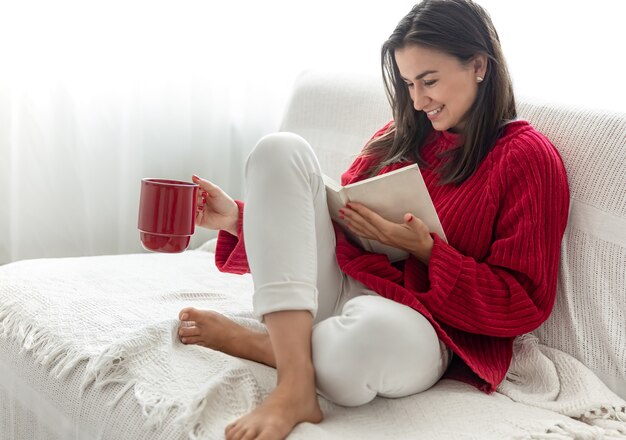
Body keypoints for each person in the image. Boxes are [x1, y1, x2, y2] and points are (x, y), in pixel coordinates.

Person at [177, 0, 570, 439]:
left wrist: (426, 251)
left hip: (425, 325)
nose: (419, 101)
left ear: (478, 65)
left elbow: (524, 303)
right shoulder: (398, 136)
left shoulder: (527, 158)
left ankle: (269, 346)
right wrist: (237, 221)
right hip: (347, 283)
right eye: (408, 84)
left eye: (429, 81)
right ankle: (295, 384)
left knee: (349, 353)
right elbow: (326, 230)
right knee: (278, 149)